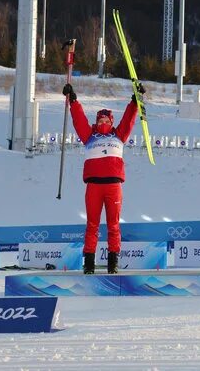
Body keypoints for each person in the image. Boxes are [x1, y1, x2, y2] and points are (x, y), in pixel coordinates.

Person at [62, 82, 141, 274]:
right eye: (101, 121)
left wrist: (135, 102)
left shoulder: (119, 135)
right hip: (94, 186)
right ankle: (89, 263)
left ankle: (112, 263)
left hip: (113, 186)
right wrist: (73, 100)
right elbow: (79, 120)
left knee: (113, 225)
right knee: (92, 225)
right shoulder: (89, 135)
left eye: (107, 121)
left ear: (111, 122)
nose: (103, 124)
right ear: (97, 122)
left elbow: (129, 119)